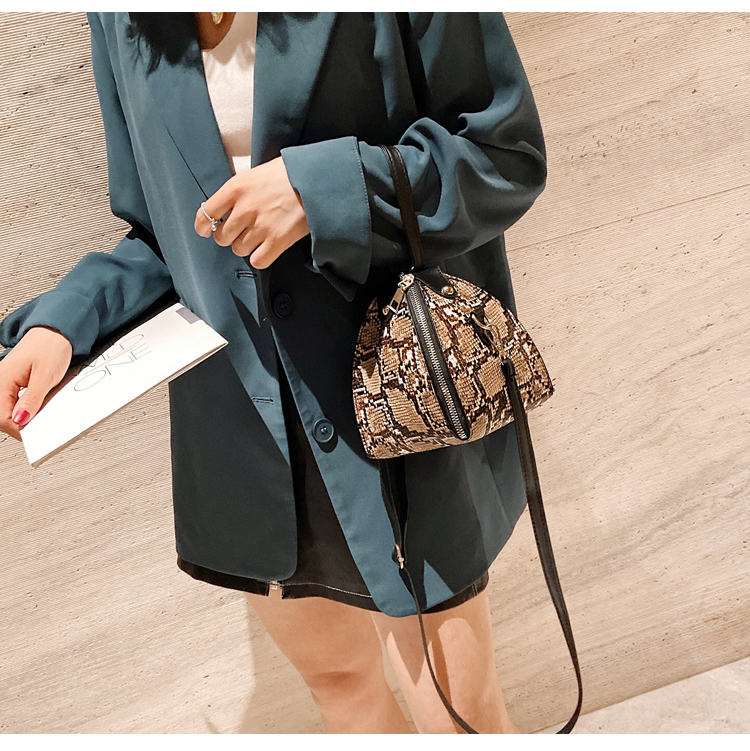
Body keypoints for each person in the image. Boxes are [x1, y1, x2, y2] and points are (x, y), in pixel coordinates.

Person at [0, 12, 547, 733]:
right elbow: (165, 232)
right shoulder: (119, 16)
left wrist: (323, 192)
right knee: (341, 688)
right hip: (248, 423)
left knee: (457, 716)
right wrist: (61, 323)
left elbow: (503, 152)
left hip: (395, 396)